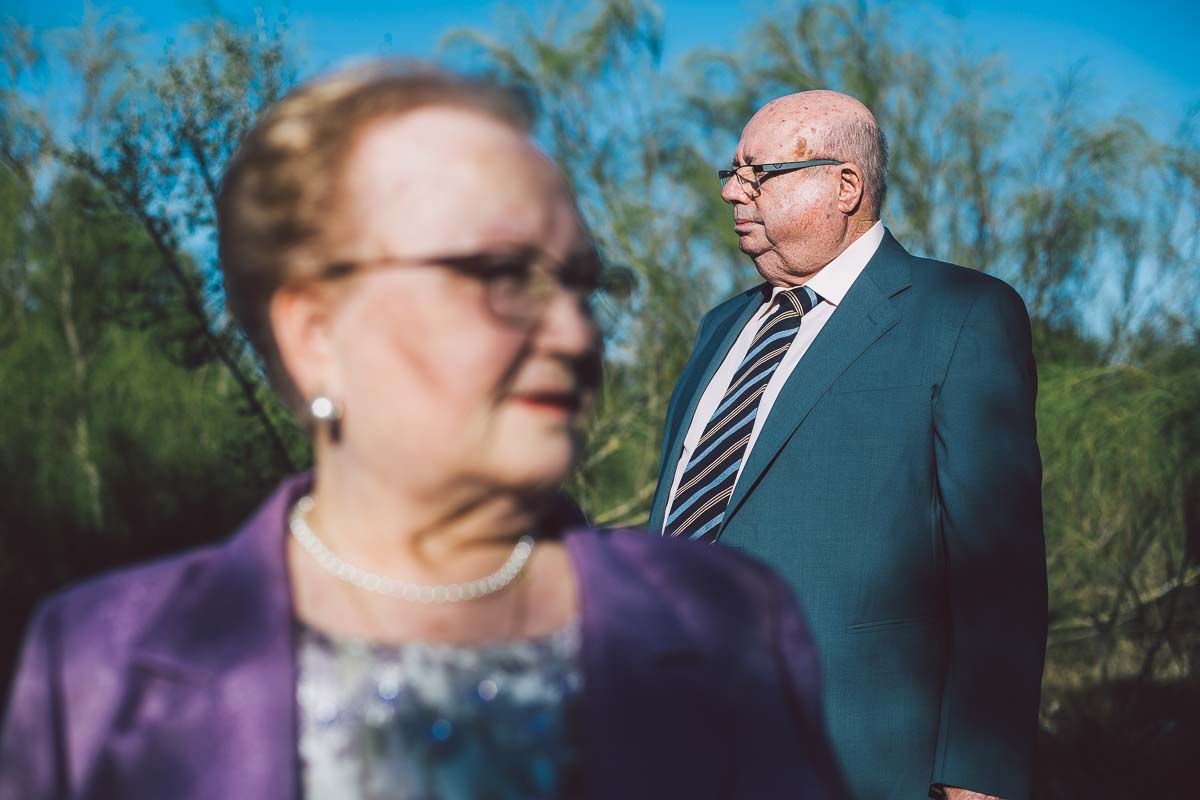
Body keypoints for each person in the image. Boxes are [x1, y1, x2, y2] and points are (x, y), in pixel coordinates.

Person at [0, 65, 846, 800]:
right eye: (500, 275)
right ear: (315, 333)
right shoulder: (98, 666)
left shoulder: (725, 621)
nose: (575, 335)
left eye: (581, 284)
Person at [648, 90, 1047, 800]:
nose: (731, 191)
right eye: (730, 172)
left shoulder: (962, 316)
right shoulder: (718, 327)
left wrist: (976, 773)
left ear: (845, 186)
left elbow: (1000, 571)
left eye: (756, 172)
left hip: (848, 760)